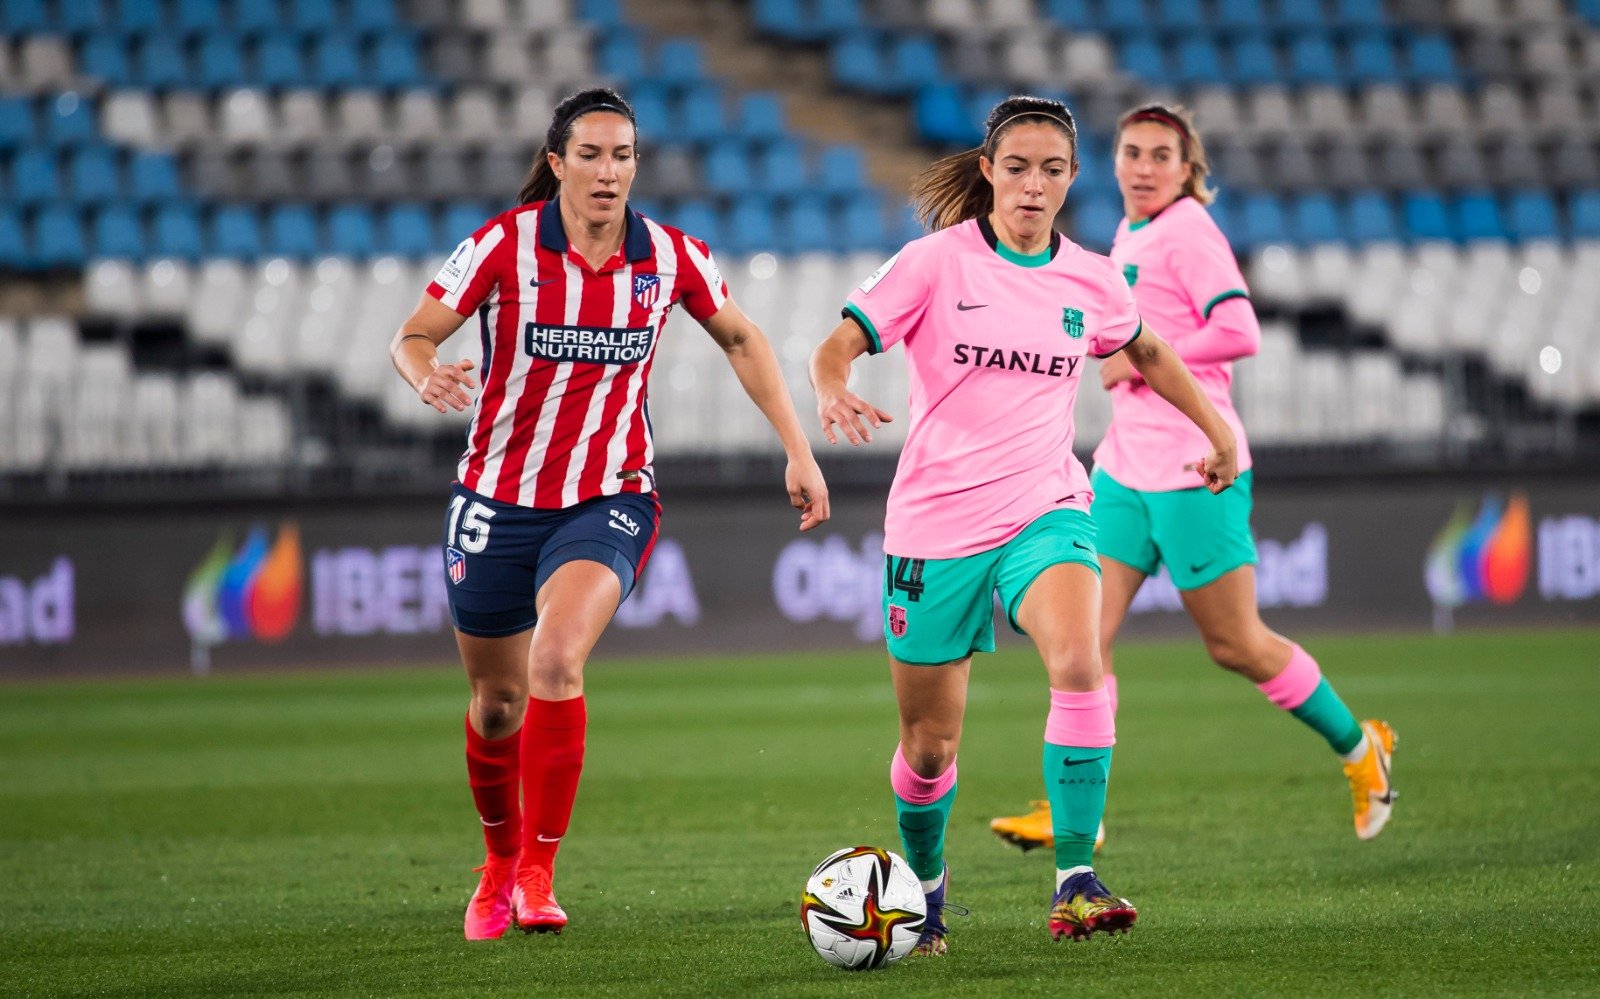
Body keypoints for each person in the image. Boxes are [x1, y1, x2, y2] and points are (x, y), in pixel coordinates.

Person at [388, 87, 830, 941]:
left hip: (609, 493)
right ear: (557, 162)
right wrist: (424, 374)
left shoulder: (668, 257)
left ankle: (538, 873)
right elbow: (413, 334)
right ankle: (497, 861)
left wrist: (798, 449)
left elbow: (742, 337)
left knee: (557, 658)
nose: (607, 170)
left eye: (622, 155)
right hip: (496, 499)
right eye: (589, 154)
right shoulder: (501, 245)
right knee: (496, 703)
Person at [809, 95, 1239, 950]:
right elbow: (839, 343)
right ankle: (925, 890)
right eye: (1017, 167)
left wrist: (1218, 430)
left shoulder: (1090, 275)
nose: (1034, 185)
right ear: (988, 172)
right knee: (929, 749)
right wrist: (830, 387)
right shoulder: (936, 262)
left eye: (1051, 170)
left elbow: (1148, 350)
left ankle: (1075, 878)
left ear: (1072, 179)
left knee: (1081, 659)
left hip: (1047, 508)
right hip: (934, 528)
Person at [989, 103, 1396, 855]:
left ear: (1186, 170)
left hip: (1193, 465)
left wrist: (1141, 356)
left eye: (1160, 156)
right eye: (1132, 152)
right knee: (1083, 641)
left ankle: (1359, 745)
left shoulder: (1187, 231)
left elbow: (1240, 329)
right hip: (1121, 468)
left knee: (1236, 643)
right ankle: (1081, 812)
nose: (1143, 167)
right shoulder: (1130, 231)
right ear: (1112, 164)